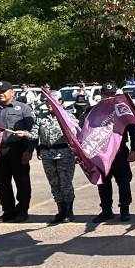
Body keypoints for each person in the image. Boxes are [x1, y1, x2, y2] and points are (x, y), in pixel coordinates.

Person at [0, 80, 37, 222]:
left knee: (22, 181)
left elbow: (33, 131)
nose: (0, 94)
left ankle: (22, 210)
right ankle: (8, 211)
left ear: (12, 92)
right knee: (1, 183)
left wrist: (29, 150)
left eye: (3, 91)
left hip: (18, 149)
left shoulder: (23, 109)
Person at [94, 83, 135, 222]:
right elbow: (85, 130)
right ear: (101, 95)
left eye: (111, 94)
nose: (109, 97)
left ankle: (124, 210)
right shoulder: (93, 111)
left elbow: (133, 130)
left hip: (119, 152)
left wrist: (133, 149)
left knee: (123, 182)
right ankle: (106, 210)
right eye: (106, 94)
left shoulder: (122, 110)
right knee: (103, 183)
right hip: (101, 154)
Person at [36, 91, 77, 223]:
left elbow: (76, 135)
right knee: (54, 184)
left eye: (52, 101)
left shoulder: (68, 117)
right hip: (47, 155)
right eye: (47, 102)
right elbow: (33, 134)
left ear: (60, 101)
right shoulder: (40, 117)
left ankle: (69, 211)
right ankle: (61, 210)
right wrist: (23, 133)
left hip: (64, 154)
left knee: (65, 183)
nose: (49, 104)